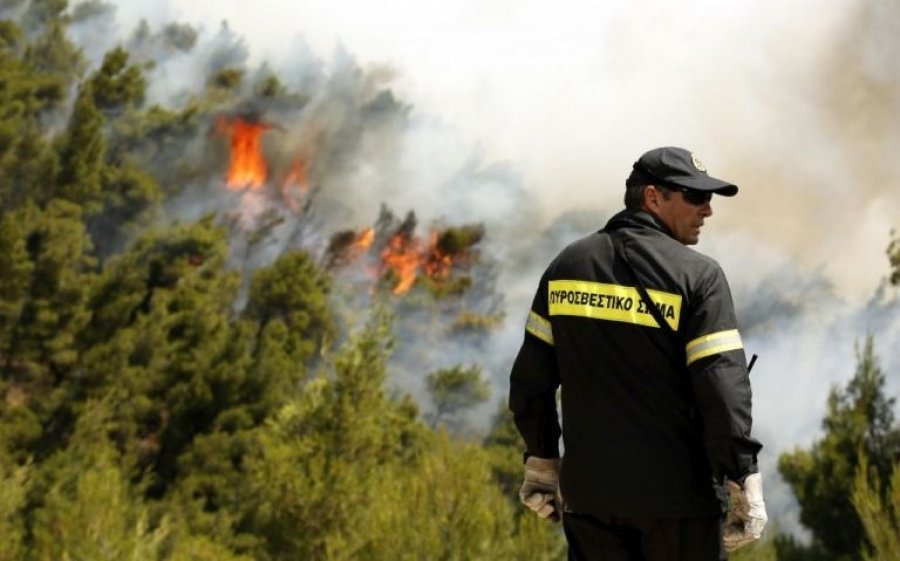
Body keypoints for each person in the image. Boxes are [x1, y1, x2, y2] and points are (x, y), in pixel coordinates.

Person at [508, 147, 767, 560]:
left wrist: (540, 460)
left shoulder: (566, 266)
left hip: (590, 502)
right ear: (652, 197)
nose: (708, 210)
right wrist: (743, 479)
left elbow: (530, 382)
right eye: (695, 197)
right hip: (679, 503)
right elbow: (722, 391)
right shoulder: (700, 278)